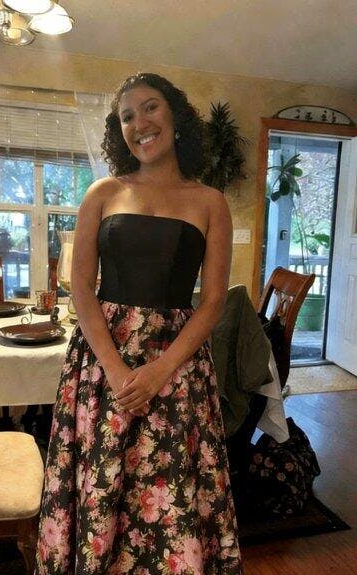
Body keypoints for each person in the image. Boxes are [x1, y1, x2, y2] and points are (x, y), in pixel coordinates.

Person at [35, 72, 243, 574]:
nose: (139, 123)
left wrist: (160, 370)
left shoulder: (210, 201)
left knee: (170, 491)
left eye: (150, 108)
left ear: (176, 117)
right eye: (126, 117)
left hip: (178, 368)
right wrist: (113, 367)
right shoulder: (103, 192)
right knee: (103, 481)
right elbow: (81, 286)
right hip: (101, 366)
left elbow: (213, 301)